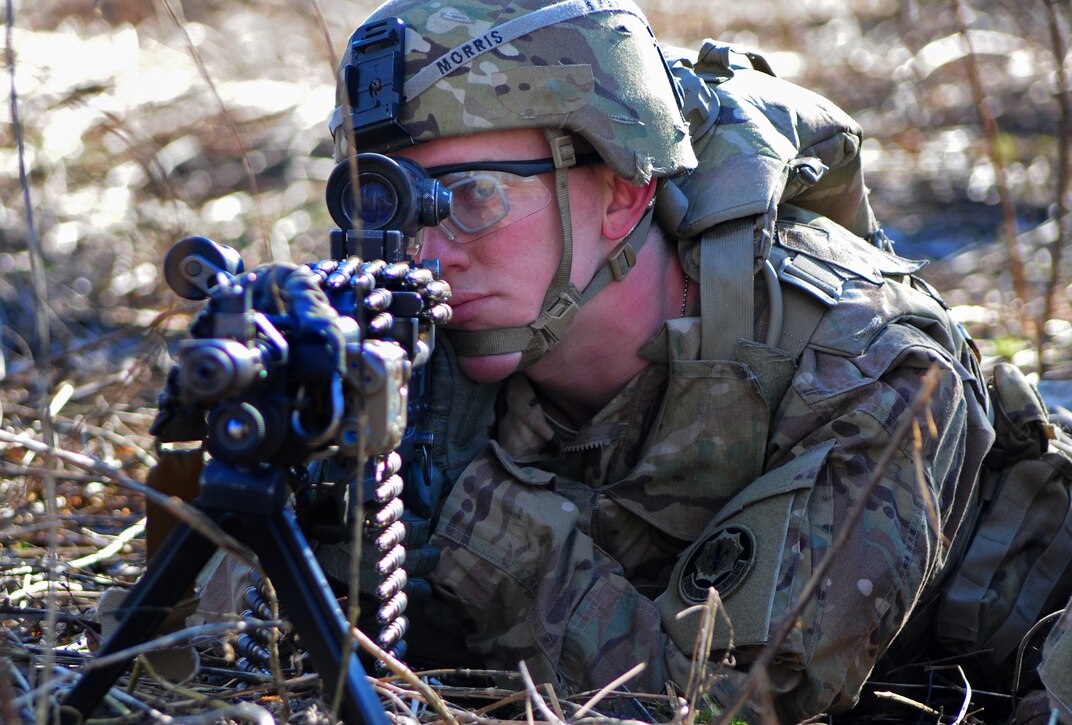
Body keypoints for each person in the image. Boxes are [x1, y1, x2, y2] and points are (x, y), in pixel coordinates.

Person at [320, 0, 997, 721]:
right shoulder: (413, 340)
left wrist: (475, 517)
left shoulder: (863, 363)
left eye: (470, 197)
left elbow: (722, 706)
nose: (427, 252)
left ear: (623, 187)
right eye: (386, 204)